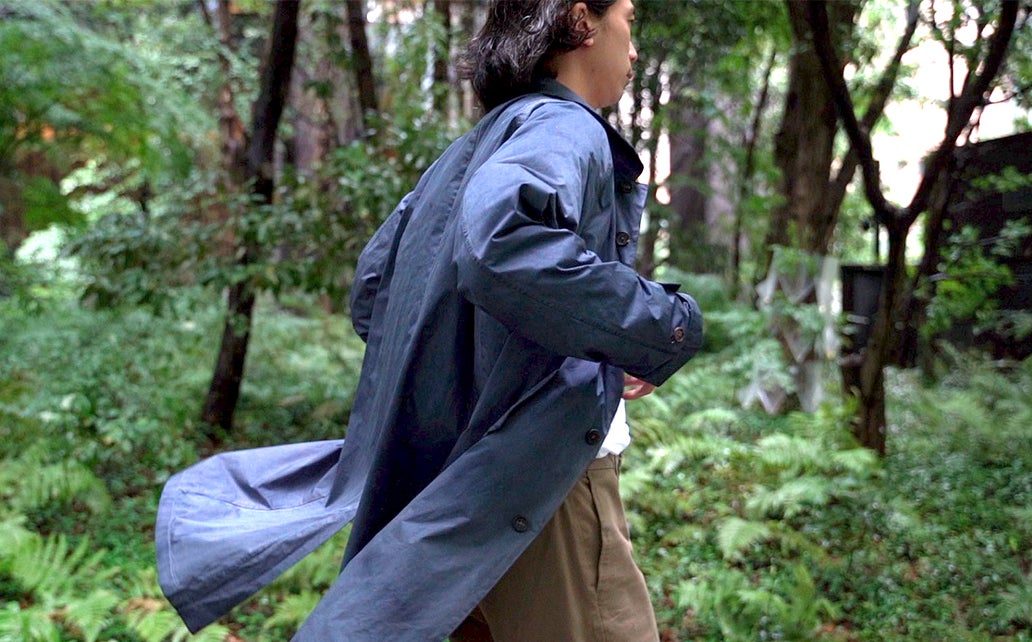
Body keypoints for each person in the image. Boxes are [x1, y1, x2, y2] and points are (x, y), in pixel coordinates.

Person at [154, 0, 702, 639]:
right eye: (629, 21)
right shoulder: (563, 126)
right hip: (545, 482)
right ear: (582, 20)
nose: (633, 49)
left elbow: (376, 291)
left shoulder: (476, 144)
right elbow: (505, 247)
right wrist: (660, 328)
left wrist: (502, 366)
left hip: (466, 478)